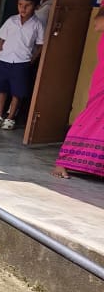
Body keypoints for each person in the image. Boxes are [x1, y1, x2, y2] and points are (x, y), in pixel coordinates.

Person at [52, 11, 104, 179]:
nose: (94, 20)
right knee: (89, 119)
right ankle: (63, 162)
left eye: (99, 16)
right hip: (101, 85)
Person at [0, 0, 44, 131]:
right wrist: (0, 52)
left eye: (27, 5)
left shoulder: (37, 25)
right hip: (4, 59)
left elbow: (40, 45)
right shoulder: (11, 21)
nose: (23, 9)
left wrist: (32, 59)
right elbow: (2, 39)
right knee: (2, 88)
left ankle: (10, 117)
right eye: (20, 5)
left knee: (17, 91)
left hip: (21, 61)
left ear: (36, 7)